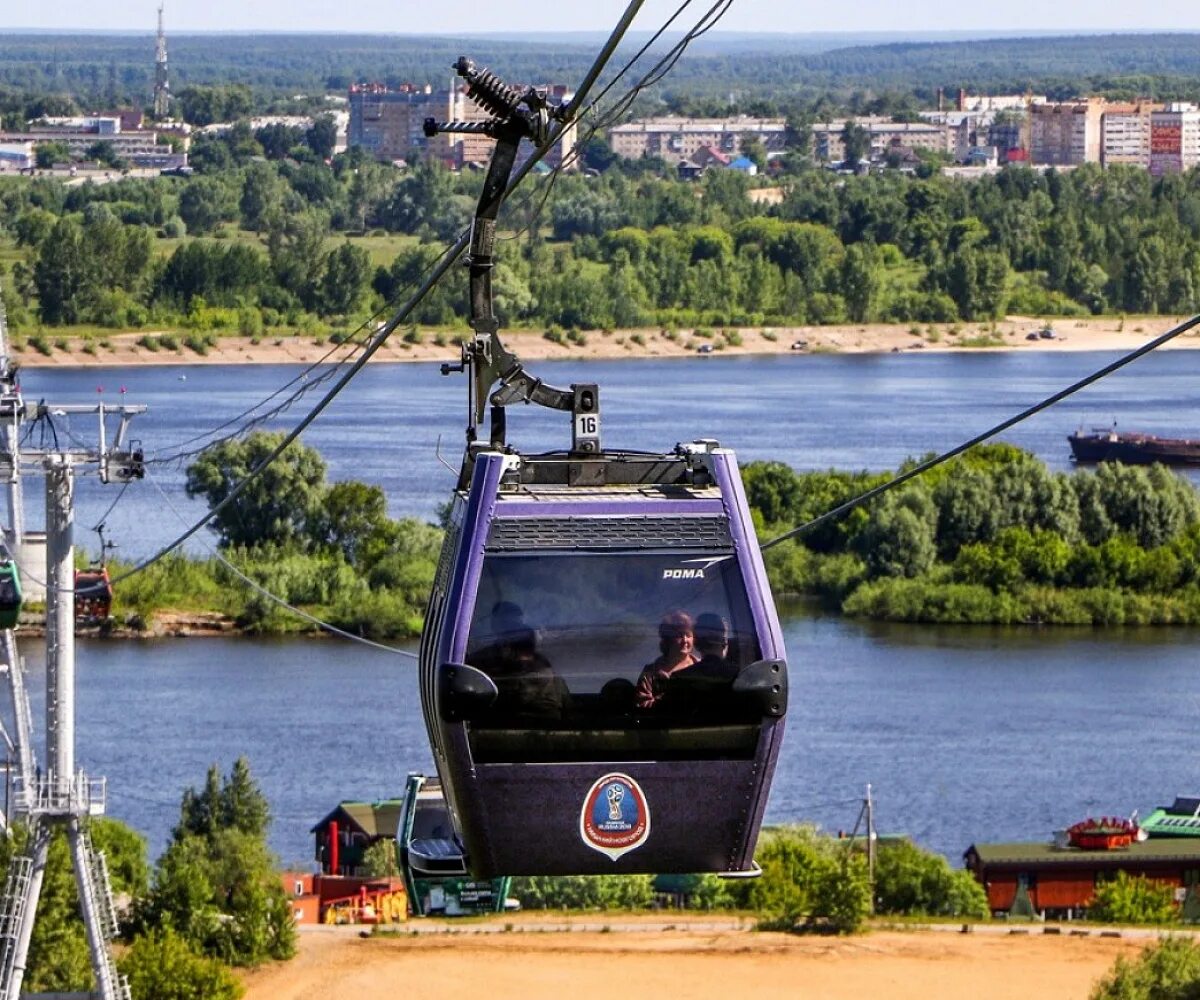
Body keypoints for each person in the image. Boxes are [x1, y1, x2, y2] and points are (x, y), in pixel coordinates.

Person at [469, 601, 569, 723]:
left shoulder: (541, 668)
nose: (510, 628)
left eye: (514, 623)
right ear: (494, 625)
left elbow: (523, 696)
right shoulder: (483, 659)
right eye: (506, 623)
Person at [634, 610, 698, 711]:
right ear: (667, 639)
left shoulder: (701, 666)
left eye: (688, 635)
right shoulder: (650, 673)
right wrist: (668, 697)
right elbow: (642, 705)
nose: (685, 640)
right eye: (679, 635)